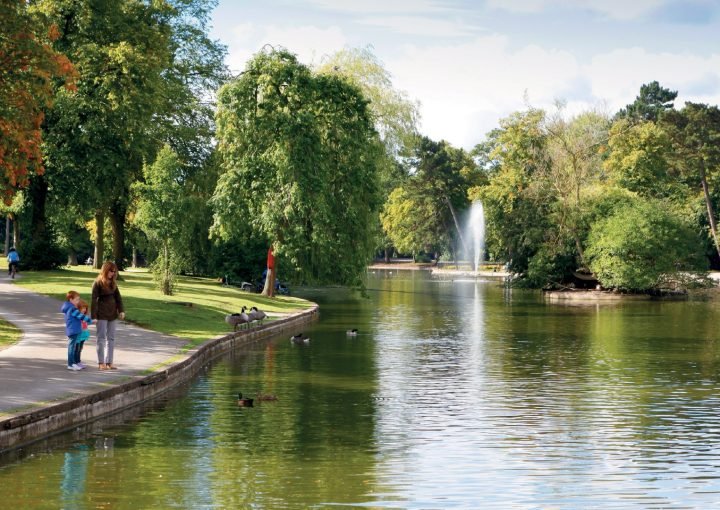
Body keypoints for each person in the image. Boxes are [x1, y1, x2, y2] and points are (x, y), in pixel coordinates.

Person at [91, 261, 125, 370]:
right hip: (101, 314)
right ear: (105, 270)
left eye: (114, 271)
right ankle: (101, 363)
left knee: (111, 339)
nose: (113, 273)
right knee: (101, 338)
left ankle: (109, 362)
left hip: (112, 314)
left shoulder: (113, 283)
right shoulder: (97, 283)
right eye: (111, 271)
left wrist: (121, 310)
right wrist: (94, 316)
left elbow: (118, 298)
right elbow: (94, 300)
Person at [61, 290, 92, 371]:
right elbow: (81, 316)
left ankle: (73, 363)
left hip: (73, 330)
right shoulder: (72, 309)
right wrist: (91, 320)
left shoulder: (69, 307)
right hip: (73, 330)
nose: (78, 301)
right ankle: (71, 364)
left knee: (72, 347)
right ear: (71, 299)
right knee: (72, 348)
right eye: (77, 299)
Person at [75, 300, 91, 368]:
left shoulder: (84, 316)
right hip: (78, 335)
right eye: (82, 308)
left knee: (80, 348)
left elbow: (88, 323)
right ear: (78, 308)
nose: (84, 310)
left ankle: (78, 361)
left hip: (83, 335)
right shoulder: (77, 316)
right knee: (77, 349)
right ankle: (76, 361)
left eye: (85, 308)